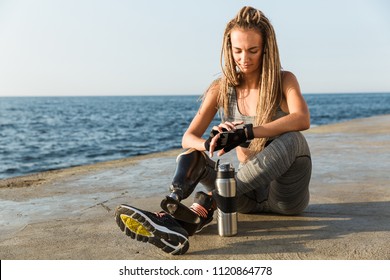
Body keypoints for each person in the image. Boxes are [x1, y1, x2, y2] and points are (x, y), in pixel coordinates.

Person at [115, 6, 312, 255]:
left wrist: (248, 133)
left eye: (253, 50)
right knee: (192, 152)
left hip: (285, 198)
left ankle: (195, 210)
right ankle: (174, 205)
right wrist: (213, 140)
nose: (244, 58)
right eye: (237, 50)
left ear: (266, 49)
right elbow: (188, 137)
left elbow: (302, 118)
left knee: (294, 139)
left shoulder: (284, 80)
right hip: (244, 198)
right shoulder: (221, 88)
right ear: (228, 48)